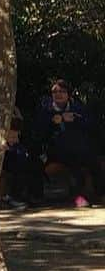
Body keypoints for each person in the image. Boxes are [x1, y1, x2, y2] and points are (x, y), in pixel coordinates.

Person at [32, 78, 101, 209]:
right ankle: (75, 197)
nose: (58, 94)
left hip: (77, 149)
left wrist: (75, 120)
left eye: (62, 91)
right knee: (37, 162)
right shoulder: (45, 110)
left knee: (91, 160)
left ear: (68, 94)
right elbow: (37, 133)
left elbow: (92, 126)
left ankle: (99, 193)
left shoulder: (77, 108)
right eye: (54, 92)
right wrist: (51, 123)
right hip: (53, 151)